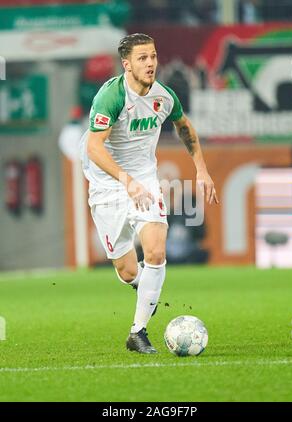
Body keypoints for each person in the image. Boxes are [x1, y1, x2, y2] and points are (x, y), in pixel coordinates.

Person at [80, 33, 218, 354]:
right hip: (107, 184)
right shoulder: (111, 97)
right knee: (128, 270)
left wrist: (201, 168)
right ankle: (144, 288)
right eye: (142, 58)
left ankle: (137, 332)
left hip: (145, 180)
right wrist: (125, 180)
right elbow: (94, 147)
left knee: (155, 252)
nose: (151, 63)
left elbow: (184, 126)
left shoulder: (164, 97)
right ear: (126, 64)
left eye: (153, 56)